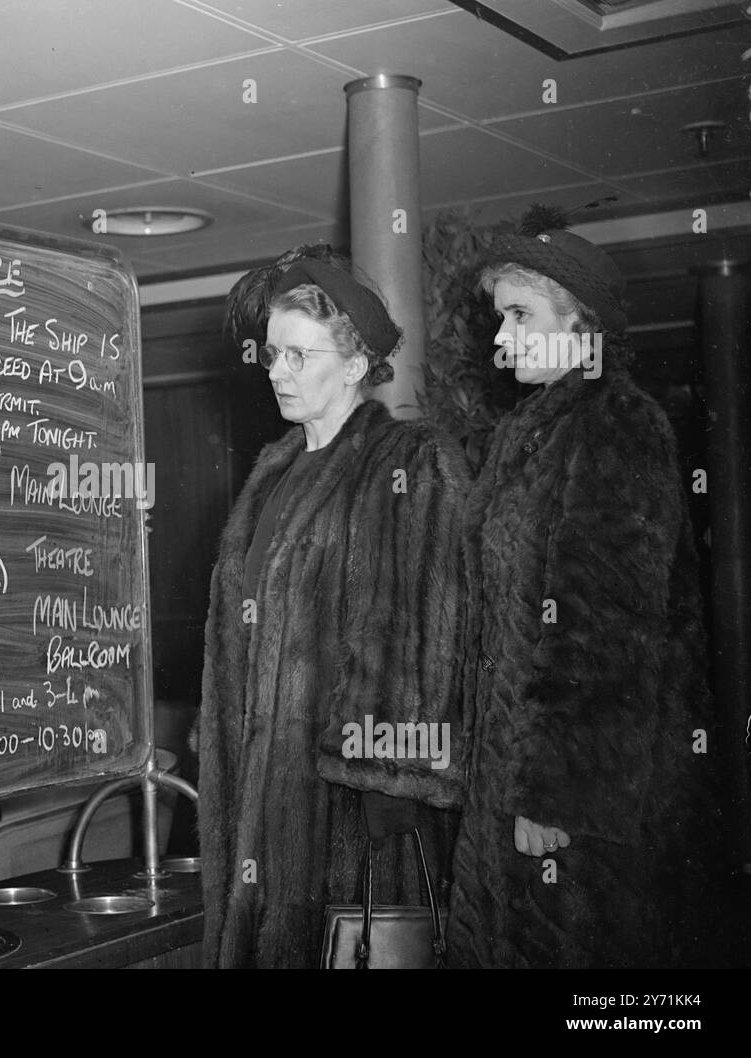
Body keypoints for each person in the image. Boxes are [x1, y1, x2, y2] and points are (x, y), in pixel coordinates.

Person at [446, 205, 728, 968]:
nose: (500, 337)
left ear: (584, 325)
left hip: (589, 808)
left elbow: (604, 625)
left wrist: (556, 792)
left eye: (518, 314)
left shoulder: (616, 423)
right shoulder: (532, 432)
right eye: (499, 315)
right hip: (517, 780)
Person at [197, 245, 471, 968]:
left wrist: (388, 784)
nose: (276, 371)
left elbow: (415, 629)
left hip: (346, 811)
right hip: (256, 800)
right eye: (271, 353)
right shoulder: (274, 472)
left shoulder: (407, 461)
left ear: (355, 365)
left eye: (298, 355)